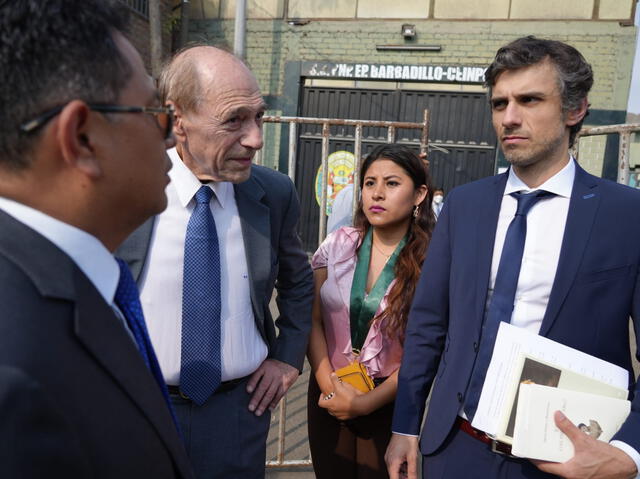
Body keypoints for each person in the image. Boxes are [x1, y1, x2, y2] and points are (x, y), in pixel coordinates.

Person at [385, 36, 640, 479]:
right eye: (499, 103)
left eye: (530, 100)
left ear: (575, 110)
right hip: (454, 445)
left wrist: (629, 452)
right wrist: (406, 426)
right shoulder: (465, 206)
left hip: (566, 457)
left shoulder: (626, 215)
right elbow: (429, 324)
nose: (510, 118)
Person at [0, 1, 192, 478]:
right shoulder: (16, 374)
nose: (170, 137)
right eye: (155, 112)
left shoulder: (72, 284)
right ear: (82, 137)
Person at [117, 45, 314, 479]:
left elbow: (299, 283)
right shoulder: (122, 189)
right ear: (177, 118)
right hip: (134, 412)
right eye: (234, 120)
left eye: (259, 116)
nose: (256, 139)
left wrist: (286, 357)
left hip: (237, 417)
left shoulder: (274, 194)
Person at [307, 144, 435, 478]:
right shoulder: (337, 245)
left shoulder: (433, 261)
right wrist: (331, 389)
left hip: (390, 400)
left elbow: (426, 347)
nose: (377, 193)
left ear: (419, 193)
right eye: (369, 183)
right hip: (329, 391)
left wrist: (365, 403)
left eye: (392, 184)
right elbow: (313, 320)